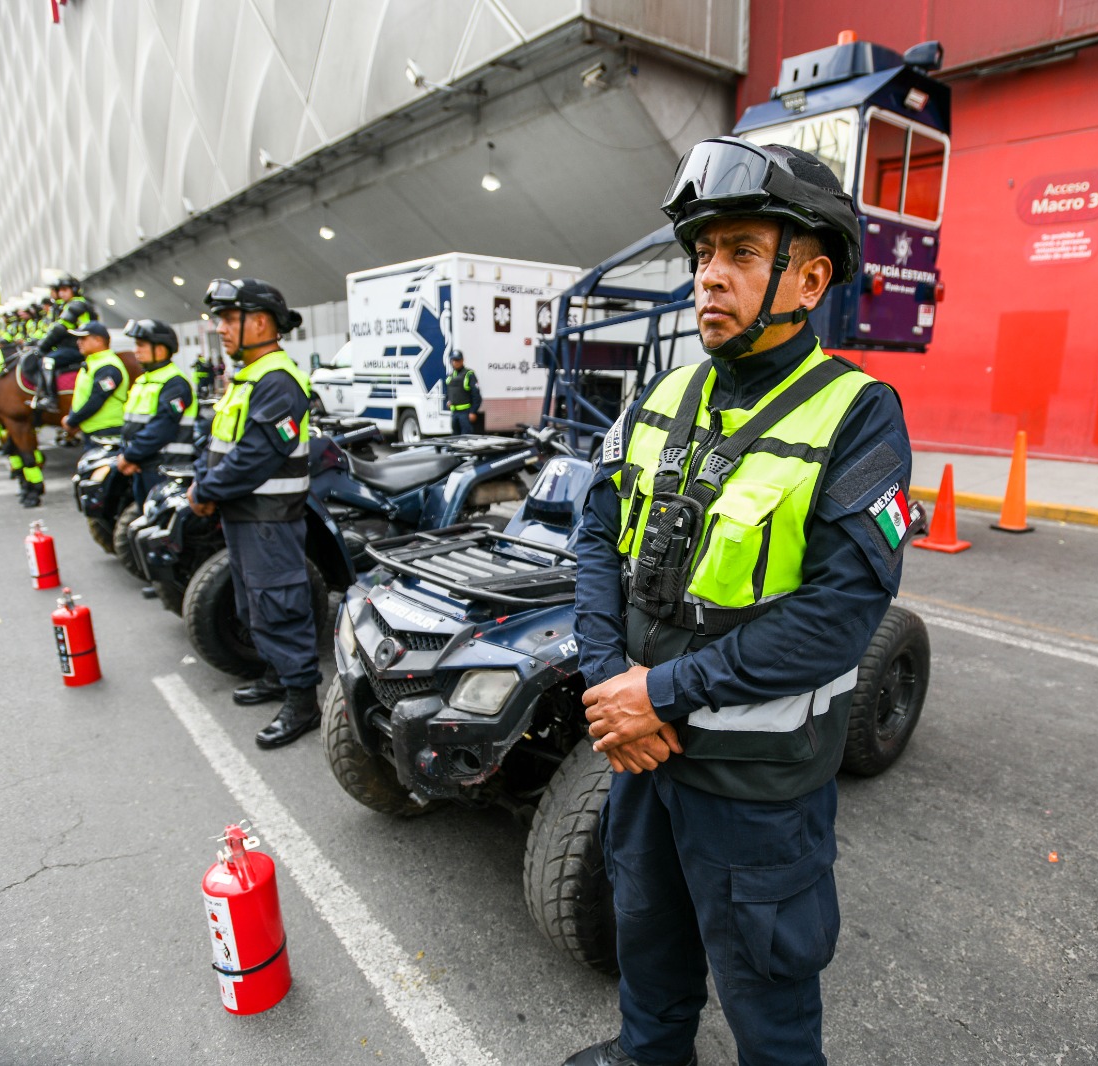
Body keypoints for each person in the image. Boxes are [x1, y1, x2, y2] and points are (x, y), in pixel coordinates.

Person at [566, 138, 916, 1066]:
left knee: (768, 989)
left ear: (809, 281)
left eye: (742, 255)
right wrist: (615, 695)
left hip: (755, 786)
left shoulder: (857, 412)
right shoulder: (658, 397)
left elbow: (841, 614)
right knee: (647, 938)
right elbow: (595, 543)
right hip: (643, 757)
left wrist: (659, 694)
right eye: (702, 256)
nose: (709, 278)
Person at [188, 278, 322, 749]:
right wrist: (203, 483)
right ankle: (276, 674)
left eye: (228, 318)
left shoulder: (277, 380)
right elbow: (220, 443)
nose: (220, 328)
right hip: (245, 515)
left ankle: (303, 700)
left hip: (269, 517)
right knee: (253, 603)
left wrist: (206, 489)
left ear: (260, 322)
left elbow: (255, 456)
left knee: (280, 604)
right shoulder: (247, 377)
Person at [115, 318, 196, 506]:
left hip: (163, 468)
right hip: (142, 465)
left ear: (160, 349)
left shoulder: (174, 384)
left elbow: (161, 429)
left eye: (141, 345)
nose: (136, 350)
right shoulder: (144, 380)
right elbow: (131, 426)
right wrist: (128, 455)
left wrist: (129, 456)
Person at [33, 274, 98, 412]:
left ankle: (51, 399)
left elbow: (60, 328)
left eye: (65, 289)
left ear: (74, 289)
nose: (61, 293)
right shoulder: (66, 305)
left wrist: (41, 347)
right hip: (71, 346)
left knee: (48, 360)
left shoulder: (77, 304)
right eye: (59, 290)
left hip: (79, 347)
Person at [61, 322, 130, 450]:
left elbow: (96, 399)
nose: (78, 342)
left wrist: (72, 421)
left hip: (107, 431)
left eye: (83, 338)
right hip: (95, 430)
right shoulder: (94, 362)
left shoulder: (108, 366)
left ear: (98, 340)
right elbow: (81, 397)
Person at [445, 350, 480, 434]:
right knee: (455, 439)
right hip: (454, 413)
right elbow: (449, 393)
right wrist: (449, 401)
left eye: (457, 360)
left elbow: (476, 395)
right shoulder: (450, 376)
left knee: (466, 439)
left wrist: (473, 412)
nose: (455, 363)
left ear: (462, 360)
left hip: (465, 413)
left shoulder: (469, 374)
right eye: (453, 360)